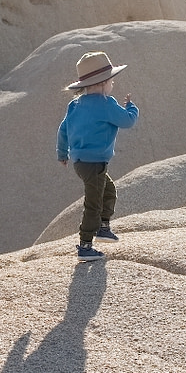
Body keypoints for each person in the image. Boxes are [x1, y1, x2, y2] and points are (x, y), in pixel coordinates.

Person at [57, 51, 139, 261]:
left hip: (80, 162)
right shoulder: (106, 103)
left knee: (108, 190)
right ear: (103, 83)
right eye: (111, 81)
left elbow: (63, 129)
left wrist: (62, 152)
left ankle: (103, 228)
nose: (112, 85)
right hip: (95, 163)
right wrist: (131, 107)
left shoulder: (74, 105)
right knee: (93, 203)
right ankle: (85, 246)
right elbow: (128, 121)